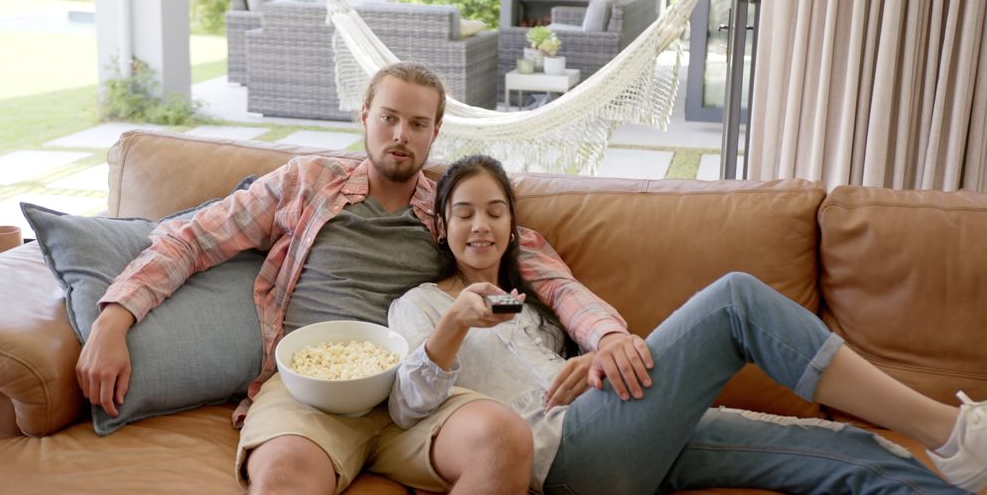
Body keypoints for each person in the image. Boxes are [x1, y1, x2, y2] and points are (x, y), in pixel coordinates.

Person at [76, 62, 639, 495]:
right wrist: (114, 319)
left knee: (503, 440)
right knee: (283, 474)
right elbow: (193, 239)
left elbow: (550, 279)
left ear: (435, 132)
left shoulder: (451, 208)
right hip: (312, 395)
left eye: (417, 124)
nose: (401, 135)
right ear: (364, 115)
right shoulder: (307, 182)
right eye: (389, 117)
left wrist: (609, 336)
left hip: (420, 398)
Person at [388, 154, 987, 494]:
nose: (480, 225)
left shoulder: (532, 303)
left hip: (620, 437)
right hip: (558, 460)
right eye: (464, 213)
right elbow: (407, 405)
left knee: (848, 451)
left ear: (512, 225)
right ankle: (954, 430)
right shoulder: (418, 305)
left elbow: (576, 326)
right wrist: (453, 326)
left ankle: (960, 464)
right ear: (442, 227)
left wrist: (591, 362)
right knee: (735, 301)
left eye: (495, 211)